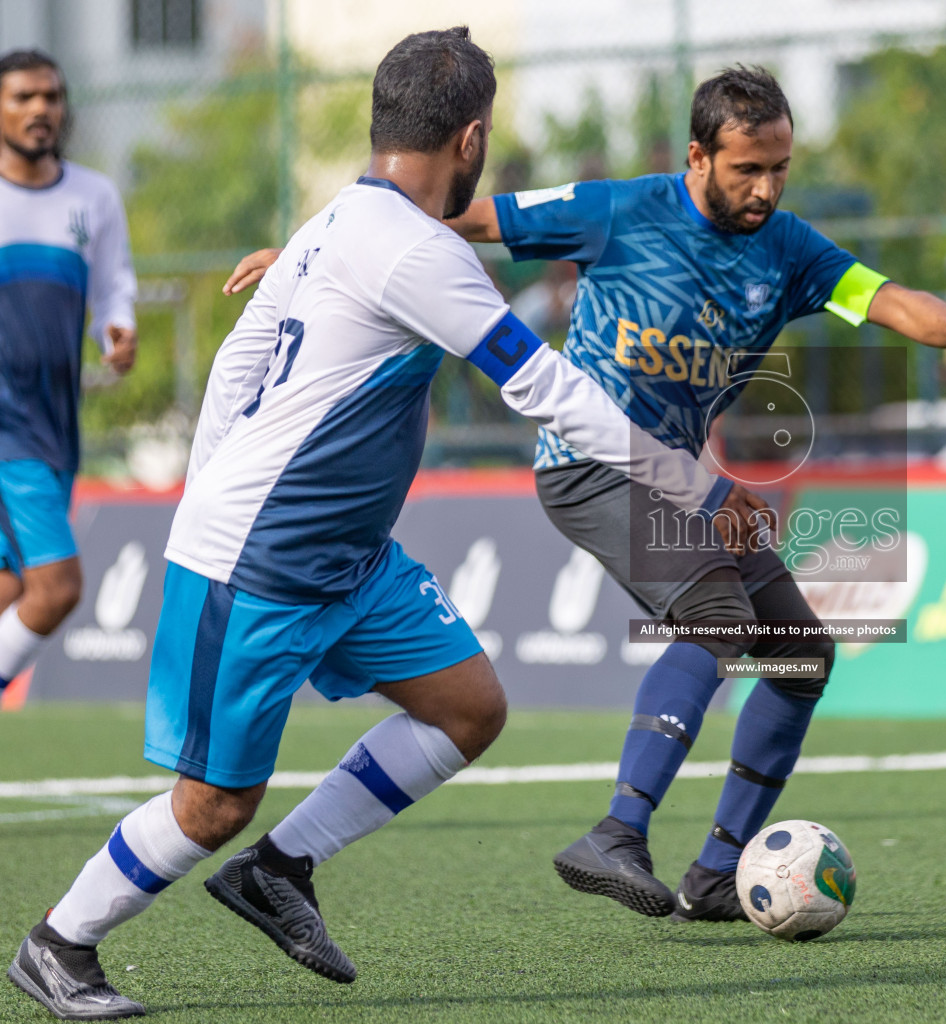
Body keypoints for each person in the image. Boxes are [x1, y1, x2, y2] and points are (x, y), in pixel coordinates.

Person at [7, 28, 765, 1020]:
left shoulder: (340, 221)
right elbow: (544, 388)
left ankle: (283, 868)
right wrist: (696, 484)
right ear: (472, 138)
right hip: (263, 563)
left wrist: (208, 477)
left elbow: (238, 359)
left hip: (347, 558)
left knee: (468, 707)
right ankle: (60, 941)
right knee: (212, 804)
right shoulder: (416, 251)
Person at [229, 64, 946, 924]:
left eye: (780, 167)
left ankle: (716, 872)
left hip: (684, 481)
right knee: (719, 623)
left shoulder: (790, 251)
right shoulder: (621, 210)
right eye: (748, 168)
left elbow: (886, 298)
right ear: (696, 158)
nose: (767, 187)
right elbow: (464, 214)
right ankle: (617, 832)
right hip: (591, 468)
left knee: (799, 655)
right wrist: (320, 256)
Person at [0, 49, 137, 695]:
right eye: (23, 97)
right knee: (56, 589)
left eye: (51, 97)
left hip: (56, 423)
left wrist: (117, 327)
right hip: (7, 427)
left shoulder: (94, 196)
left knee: (11, 588)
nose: (40, 110)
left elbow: (112, 288)